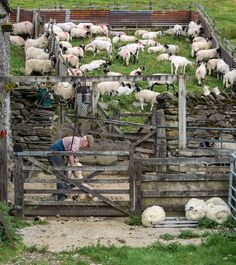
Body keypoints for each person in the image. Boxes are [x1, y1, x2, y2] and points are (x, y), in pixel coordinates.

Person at [48, 135, 94, 200]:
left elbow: (71, 153)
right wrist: (73, 168)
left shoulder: (77, 142)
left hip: (57, 153)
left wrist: (75, 159)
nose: (86, 147)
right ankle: (62, 197)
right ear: (85, 141)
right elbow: (70, 155)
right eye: (87, 145)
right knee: (61, 175)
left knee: (63, 174)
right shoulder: (76, 142)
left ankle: (63, 194)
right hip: (54, 153)